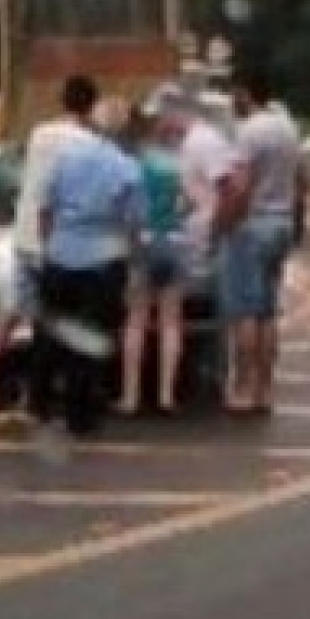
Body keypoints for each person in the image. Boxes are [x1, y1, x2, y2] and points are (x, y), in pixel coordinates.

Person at [0, 75, 98, 404]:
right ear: (91, 106)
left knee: (11, 313)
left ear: (62, 100)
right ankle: (50, 388)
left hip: (24, 235)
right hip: (58, 240)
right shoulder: (88, 145)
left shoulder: (40, 134)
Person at [35, 93, 145, 430]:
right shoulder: (127, 168)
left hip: (61, 251)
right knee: (90, 336)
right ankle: (79, 411)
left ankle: (39, 400)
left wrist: (49, 244)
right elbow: (133, 221)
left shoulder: (65, 158)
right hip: (102, 259)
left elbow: (45, 207)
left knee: (51, 331)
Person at [222, 72, 303, 414]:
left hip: (252, 226)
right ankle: (264, 390)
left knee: (246, 313)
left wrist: (224, 222)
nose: (231, 101)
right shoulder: (288, 128)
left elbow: (241, 187)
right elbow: (301, 180)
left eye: (234, 94)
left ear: (245, 92)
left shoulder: (249, 133)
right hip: (282, 222)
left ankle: (241, 389)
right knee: (269, 312)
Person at [173, 85, 243, 409]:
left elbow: (228, 190)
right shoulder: (185, 144)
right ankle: (198, 377)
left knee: (216, 309)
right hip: (191, 241)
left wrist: (217, 231)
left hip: (208, 240)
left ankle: (215, 380)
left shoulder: (206, 142)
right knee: (194, 309)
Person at [120, 99, 190, 417]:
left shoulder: (138, 164)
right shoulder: (179, 164)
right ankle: (166, 395)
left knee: (136, 321)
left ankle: (131, 396)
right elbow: (188, 204)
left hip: (144, 243)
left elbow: (131, 210)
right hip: (174, 241)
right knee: (170, 322)